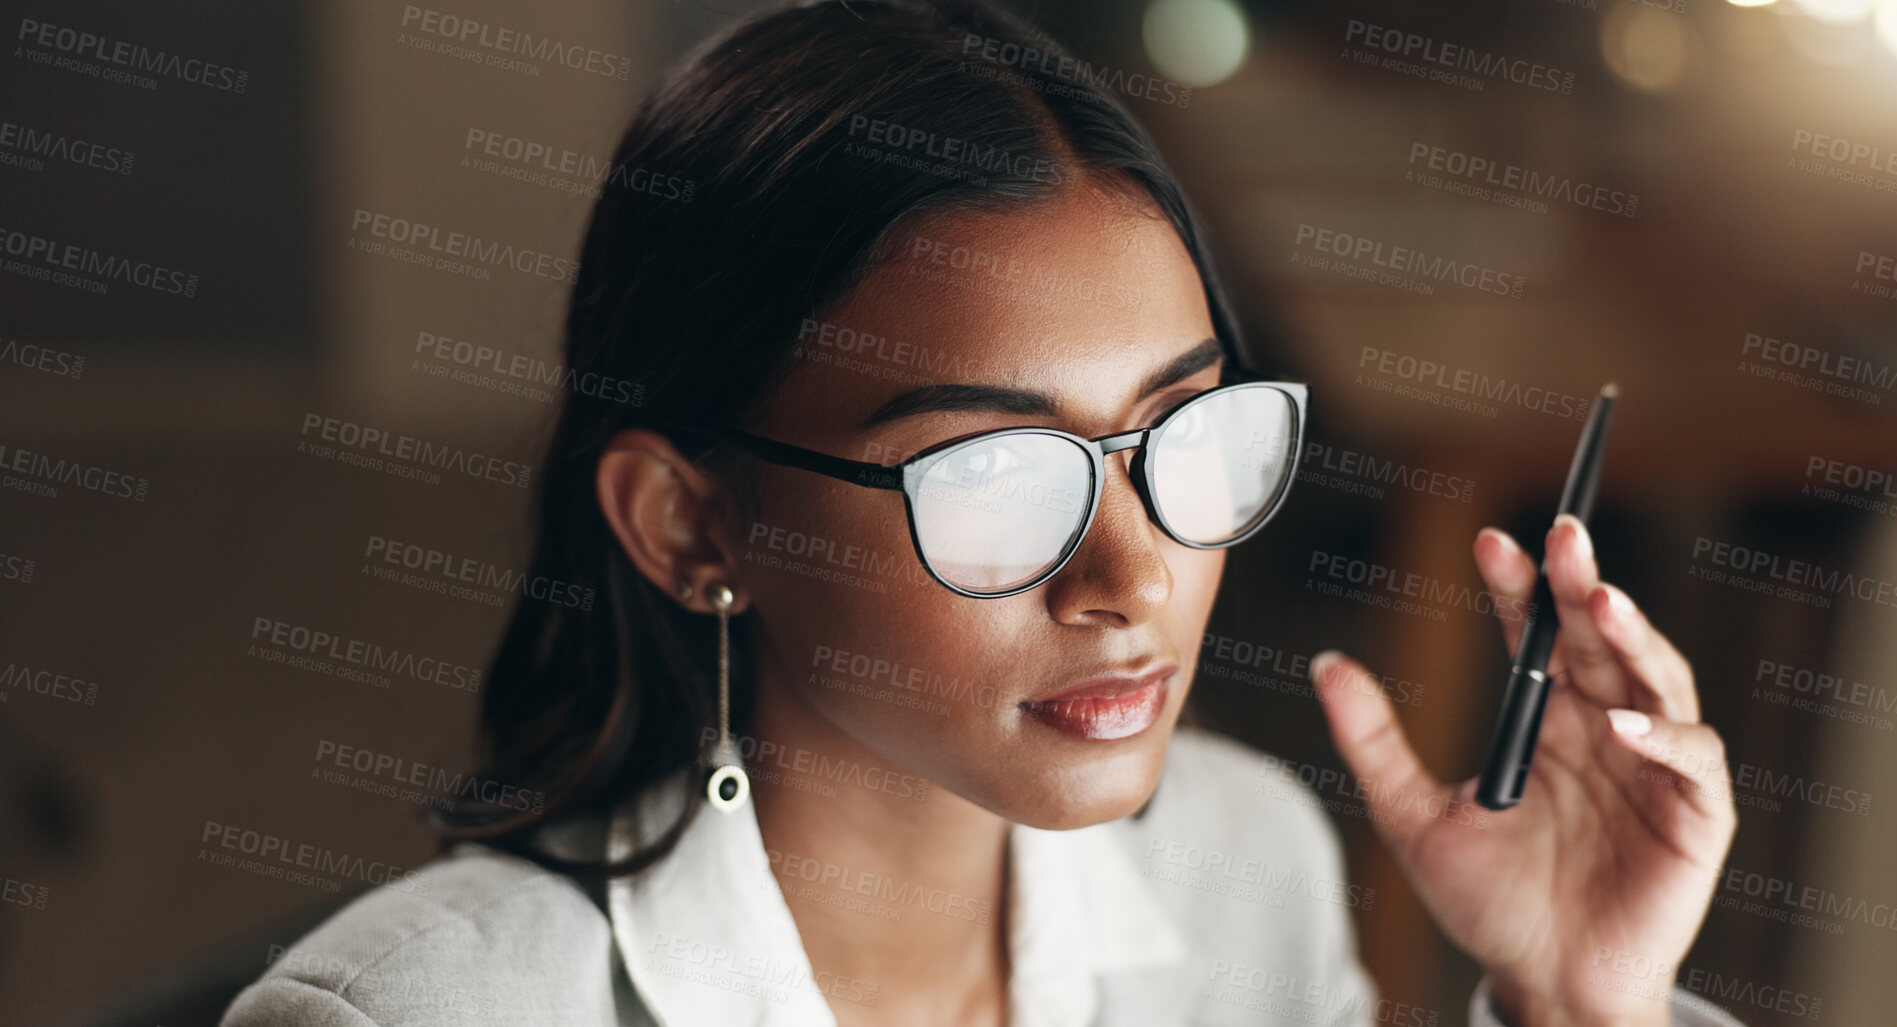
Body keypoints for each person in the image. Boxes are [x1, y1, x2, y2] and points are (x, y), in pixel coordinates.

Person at [221, 1, 1743, 1024]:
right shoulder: (422, 1016)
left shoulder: (1241, 863)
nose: (1132, 573)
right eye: (1000, 476)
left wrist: (1573, 1006)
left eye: (1179, 431)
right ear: (691, 528)